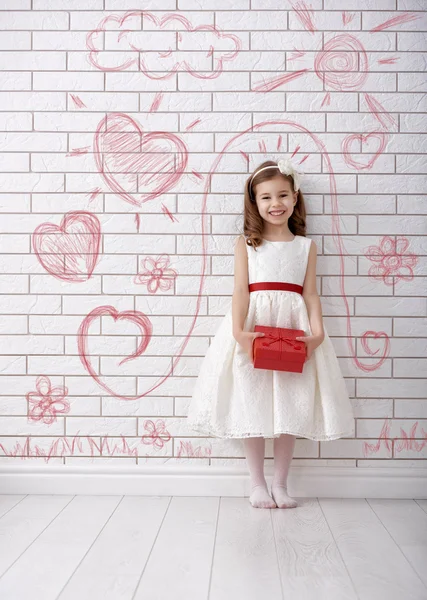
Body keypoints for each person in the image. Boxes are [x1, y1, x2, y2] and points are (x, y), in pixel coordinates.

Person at [186, 158, 355, 509]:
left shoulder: (305, 246)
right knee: (251, 398)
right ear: (255, 202)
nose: (275, 204)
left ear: (295, 197)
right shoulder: (247, 243)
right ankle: (257, 484)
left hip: (293, 328)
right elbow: (240, 291)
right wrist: (238, 331)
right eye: (266, 197)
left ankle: (280, 484)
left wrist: (318, 332)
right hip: (254, 327)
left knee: (290, 403)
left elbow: (309, 293)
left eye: (282, 195)